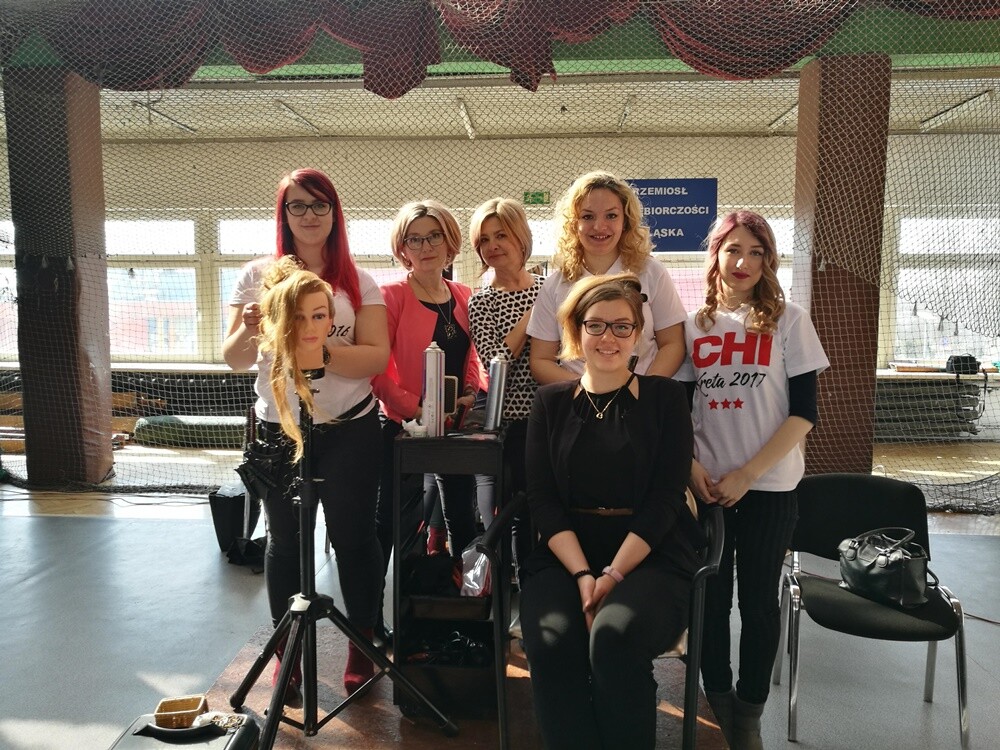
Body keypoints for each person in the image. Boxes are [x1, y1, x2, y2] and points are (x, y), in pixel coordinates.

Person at [223, 168, 390, 701]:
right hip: (280, 428)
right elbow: (233, 359)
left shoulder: (358, 280)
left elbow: (375, 357)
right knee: (285, 540)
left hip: (349, 427)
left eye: (320, 205)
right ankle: (287, 653)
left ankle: (361, 643)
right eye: (298, 205)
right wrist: (254, 327)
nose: (310, 215)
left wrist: (315, 348)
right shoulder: (256, 275)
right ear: (284, 214)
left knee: (353, 536)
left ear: (335, 214)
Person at [519, 273, 705, 749]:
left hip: (651, 554)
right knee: (552, 642)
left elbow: (666, 498)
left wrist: (613, 576)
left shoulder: (666, 399)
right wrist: (584, 574)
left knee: (614, 636)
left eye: (622, 326)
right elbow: (542, 499)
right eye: (596, 325)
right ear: (575, 332)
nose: (609, 338)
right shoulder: (549, 402)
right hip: (565, 556)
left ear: (638, 334)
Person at [675, 210, 829, 750]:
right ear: (715, 254)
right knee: (711, 602)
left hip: (768, 488)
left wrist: (748, 473)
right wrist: (693, 469)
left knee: (759, 604)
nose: (743, 262)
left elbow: (803, 414)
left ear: (769, 260)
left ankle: (749, 715)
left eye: (756, 252)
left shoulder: (790, 321)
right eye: (733, 249)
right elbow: (678, 411)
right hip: (709, 489)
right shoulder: (693, 326)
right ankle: (718, 705)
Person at [372, 200, 487, 567]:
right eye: (415, 239)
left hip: (453, 427)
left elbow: (471, 356)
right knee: (391, 521)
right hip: (402, 427)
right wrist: (418, 409)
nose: (425, 247)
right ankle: (373, 603)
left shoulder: (464, 295)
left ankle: (461, 590)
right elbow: (377, 373)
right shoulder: (390, 296)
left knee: (462, 518)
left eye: (434, 236)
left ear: (449, 241)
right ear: (402, 248)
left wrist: (468, 392)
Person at [527, 171, 686, 383]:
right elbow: (541, 360)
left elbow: (673, 344)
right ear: (573, 223)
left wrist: (641, 390)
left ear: (626, 221)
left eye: (611, 216)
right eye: (587, 216)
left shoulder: (652, 271)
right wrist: (587, 391)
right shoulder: (555, 285)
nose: (599, 227)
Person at [467, 198, 543, 550]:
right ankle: (515, 577)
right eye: (484, 240)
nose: (492, 245)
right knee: (515, 514)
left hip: (553, 414)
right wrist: (531, 317)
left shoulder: (548, 288)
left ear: (520, 236)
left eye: (501, 235)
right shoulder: (481, 301)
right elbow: (495, 362)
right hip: (511, 422)